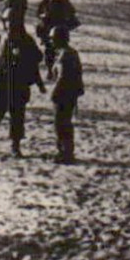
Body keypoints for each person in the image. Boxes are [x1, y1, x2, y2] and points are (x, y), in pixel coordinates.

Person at [0, 12, 46, 158]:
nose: (10, 25)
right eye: (7, 21)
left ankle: (15, 147)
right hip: (1, 85)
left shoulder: (26, 40)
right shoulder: (0, 38)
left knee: (17, 117)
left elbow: (37, 59)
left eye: (13, 21)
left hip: (18, 86)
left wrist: (38, 82)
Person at [47, 27, 84, 164]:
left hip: (63, 94)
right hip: (71, 93)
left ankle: (64, 152)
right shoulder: (72, 53)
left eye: (53, 38)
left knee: (61, 124)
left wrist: (54, 93)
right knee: (66, 123)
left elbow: (62, 77)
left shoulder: (64, 55)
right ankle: (67, 151)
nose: (51, 41)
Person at [35, 0, 80, 67]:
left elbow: (72, 17)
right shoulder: (44, 3)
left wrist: (66, 26)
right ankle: (50, 69)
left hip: (61, 32)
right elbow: (39, 17)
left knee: (62, 51)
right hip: (48, 32)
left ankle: (61, 68)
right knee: (49, 51)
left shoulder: (64, 2)